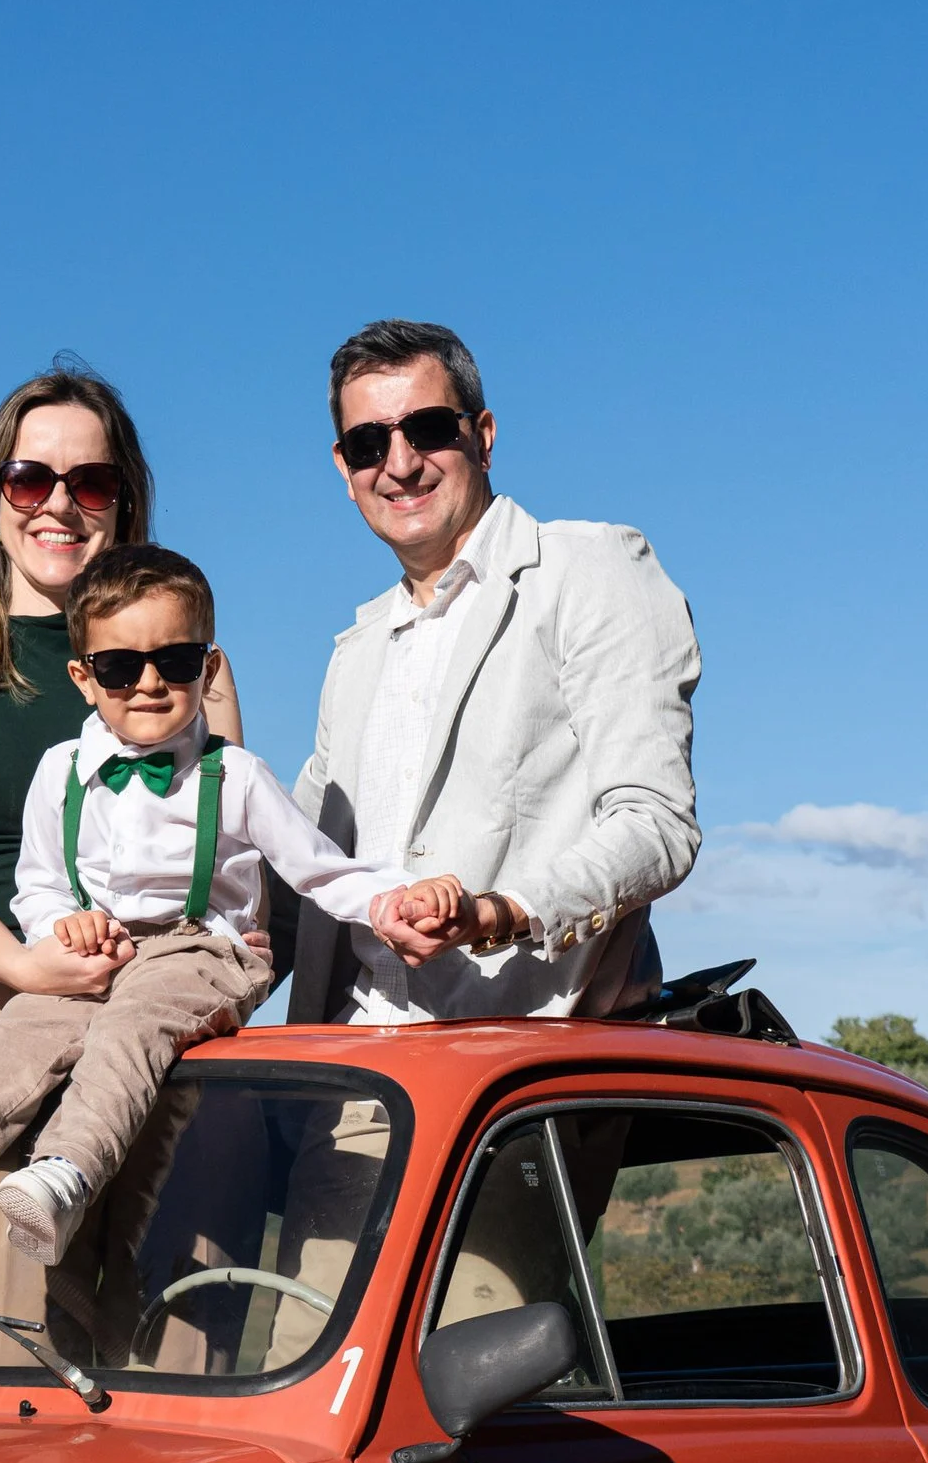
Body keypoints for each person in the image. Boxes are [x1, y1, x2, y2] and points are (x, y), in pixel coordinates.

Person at [0, 546, 451, 1294]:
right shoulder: (60, 773)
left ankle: (65, 1173)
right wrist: (64, 926)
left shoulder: (237, 778)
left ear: (210, 666)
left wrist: (390, 904)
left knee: (135, 1024)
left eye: (177, 660)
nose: (151, 683)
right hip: (98, 952)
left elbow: (319, 871)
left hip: (207, 951)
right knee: (14, 1038)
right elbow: (36, 884)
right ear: (84, 677)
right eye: (122, 668)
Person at [279, 318, 701, 1029]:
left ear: (484, 434)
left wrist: (496, 914)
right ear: (344, 470)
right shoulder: (355, 650)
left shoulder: (589, 571)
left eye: (430, 429)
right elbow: (297, 872)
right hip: (347, 1071)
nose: (401, 463)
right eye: (369, 443)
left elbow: (655, 823)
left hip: (518, 1079)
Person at [0, 367, 244, 1027]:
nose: (59, 505)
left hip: (174, 1024)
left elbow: (227, 856)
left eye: (92, 483)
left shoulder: (195, 665)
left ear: (124, 505)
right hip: (12, 1016)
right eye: (29, 480)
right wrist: (28, 968)